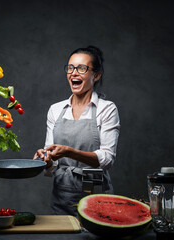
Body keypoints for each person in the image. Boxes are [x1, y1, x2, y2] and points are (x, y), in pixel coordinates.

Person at [34, 45, 120, 216]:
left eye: (82, 68)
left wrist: (68, 152)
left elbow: (107, 159)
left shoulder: (106, 109)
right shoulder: (56, 110)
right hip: (62, 197)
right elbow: (52, 166)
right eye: (70, 67)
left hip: (96, 196)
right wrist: (45, 159)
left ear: (96, 75)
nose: (73, 73)